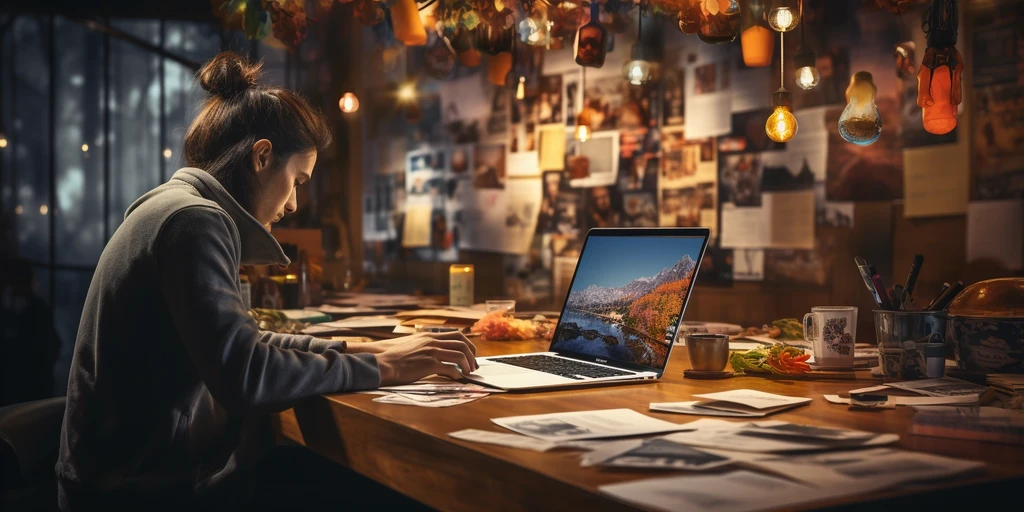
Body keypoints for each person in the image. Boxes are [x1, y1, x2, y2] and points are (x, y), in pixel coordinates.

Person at [56, 52, 477, 511]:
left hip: (132, 476)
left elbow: (245, 346)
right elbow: (246, 375)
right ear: (262, 157)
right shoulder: (194, 222)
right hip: (142, 492)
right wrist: (388, 369)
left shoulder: (176, 207)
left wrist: (366, 351)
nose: (295, 203)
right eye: (297, 180)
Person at [1, 258, 61, 406]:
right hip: (14, 387)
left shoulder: (39, 310)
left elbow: (52, 346)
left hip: (33, 387)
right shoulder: (7, 310)